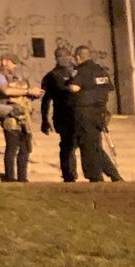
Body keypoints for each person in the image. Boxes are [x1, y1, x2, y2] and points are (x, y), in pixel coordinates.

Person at [65, 45, 123, 182]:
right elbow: (108, 89)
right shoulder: (101, 70)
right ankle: (113, 175)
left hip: (84, 114)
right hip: (99, 113)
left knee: (88, 147)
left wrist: (66, 85)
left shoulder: (82, 70)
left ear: (78, 57)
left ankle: (95, 176)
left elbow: (74, 88)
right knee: (95, 146)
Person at [0, 54, 38, 182]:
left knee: (25, 149)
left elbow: (21, 93)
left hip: (23, 116)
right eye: (12, 62)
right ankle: (10, 178)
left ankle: (22, 178)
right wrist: (27, 91)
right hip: (10, 116)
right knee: (12, 148)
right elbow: (7, 91)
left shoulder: (16, 78)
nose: (15, 66)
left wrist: (32, 94)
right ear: (4, 62)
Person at [39, 50, 80, 182]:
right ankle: (69, 174)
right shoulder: (51, 76)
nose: (64, 59)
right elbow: (46, 100)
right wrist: (44, 120)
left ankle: (73, 172)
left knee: (75, 144)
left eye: (66, 56)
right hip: (62, 116)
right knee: (67, 145)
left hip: (78, 114)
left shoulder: (76, 73)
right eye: (61, 56)